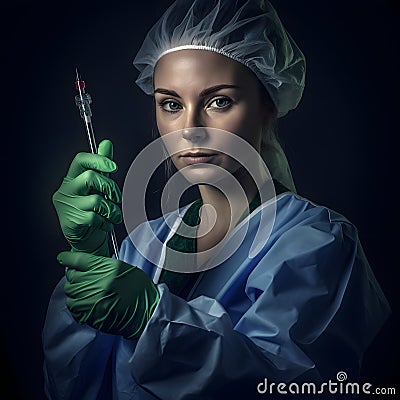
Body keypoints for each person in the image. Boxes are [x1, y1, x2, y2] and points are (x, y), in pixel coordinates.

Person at [43, 1, 390, 399]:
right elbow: (75, 386)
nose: (190, 129)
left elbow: (288, 386)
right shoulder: (142, 246)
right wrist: (89, 259)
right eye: (171, 104)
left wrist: (151, 318)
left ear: (268, 106)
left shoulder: (319, 242)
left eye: (218, 100)